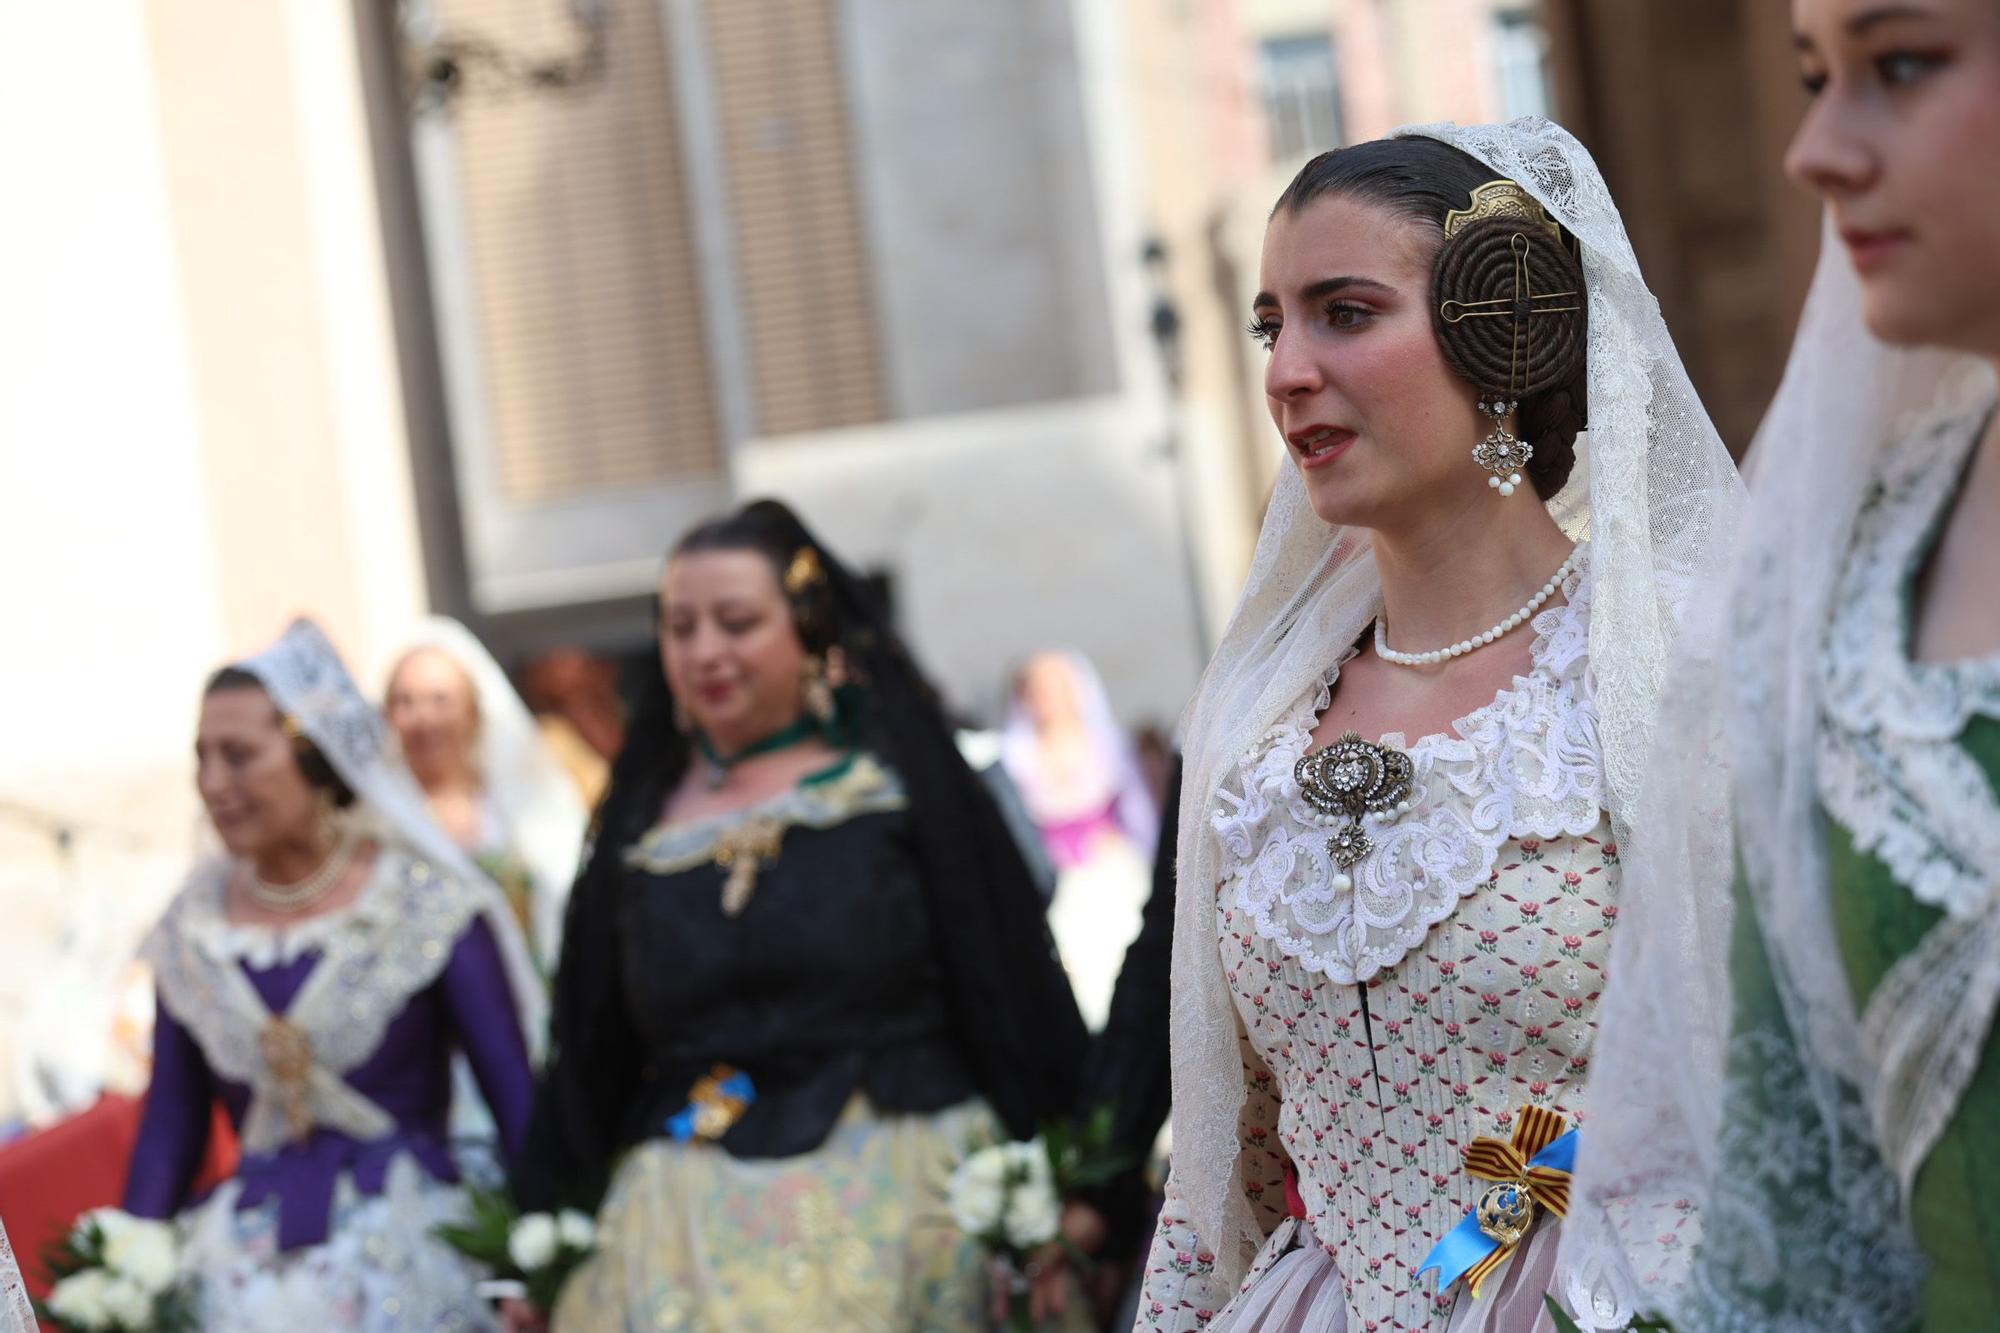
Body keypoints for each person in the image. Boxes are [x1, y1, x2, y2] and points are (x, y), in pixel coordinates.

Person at [1133, 119, 1743, 1332]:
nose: (1285, 371)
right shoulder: (1255, 731)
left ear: (1498, 328)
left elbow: (1780, 1078)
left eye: (1343, 312)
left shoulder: (1665, 663)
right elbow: (1231, 1165)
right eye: (1271, 325)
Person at [1578, 3, 2000, 1328]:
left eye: (1905, 66)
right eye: (1816, 75)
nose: (1814, 149)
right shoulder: (1844, 578)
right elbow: (1800, 1234)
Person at [510, 500, 1091, 1331]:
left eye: (737, 622)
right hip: (683, 1214)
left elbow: (1006, 978)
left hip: (907, 1197)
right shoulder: (641, 825)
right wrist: (543, 1225)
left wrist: (1074, 1189)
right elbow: (591, 1040)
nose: (705, 650)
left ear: (809, 627)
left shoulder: (898, 791)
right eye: (680, 627)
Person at [121, 619, 543, 1330]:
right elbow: (171, 1123)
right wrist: (119, 1278)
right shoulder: (193, 926)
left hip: (415, 1248)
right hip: (244, 1267)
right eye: (202, 758)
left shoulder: (422, 901)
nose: (213, 784)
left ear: (312, 754)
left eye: (240, 755)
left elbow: (515, 1094)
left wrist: (545, 1251)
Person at [384, 618, 589, 971]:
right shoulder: (379, 820)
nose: (424, 719)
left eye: (440, 700)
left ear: (474, 712)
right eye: (406, 701)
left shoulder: (520, 801)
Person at [1003, 649, 1160, 1028]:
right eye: (1039, 689)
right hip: (1049, 887)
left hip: (1109, 880)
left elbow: (1136, 813)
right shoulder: (1013, 756)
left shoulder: (1105, 745)